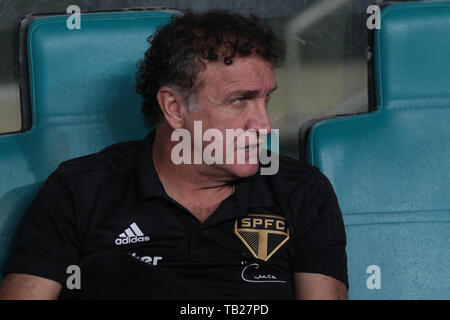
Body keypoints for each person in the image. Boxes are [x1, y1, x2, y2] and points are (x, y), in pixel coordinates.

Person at [0, 10, 348, 299]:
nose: (262, 124)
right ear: (174, 107)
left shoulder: (301, 191)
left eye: (265, 99)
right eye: (239, 100)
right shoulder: (79, 190)